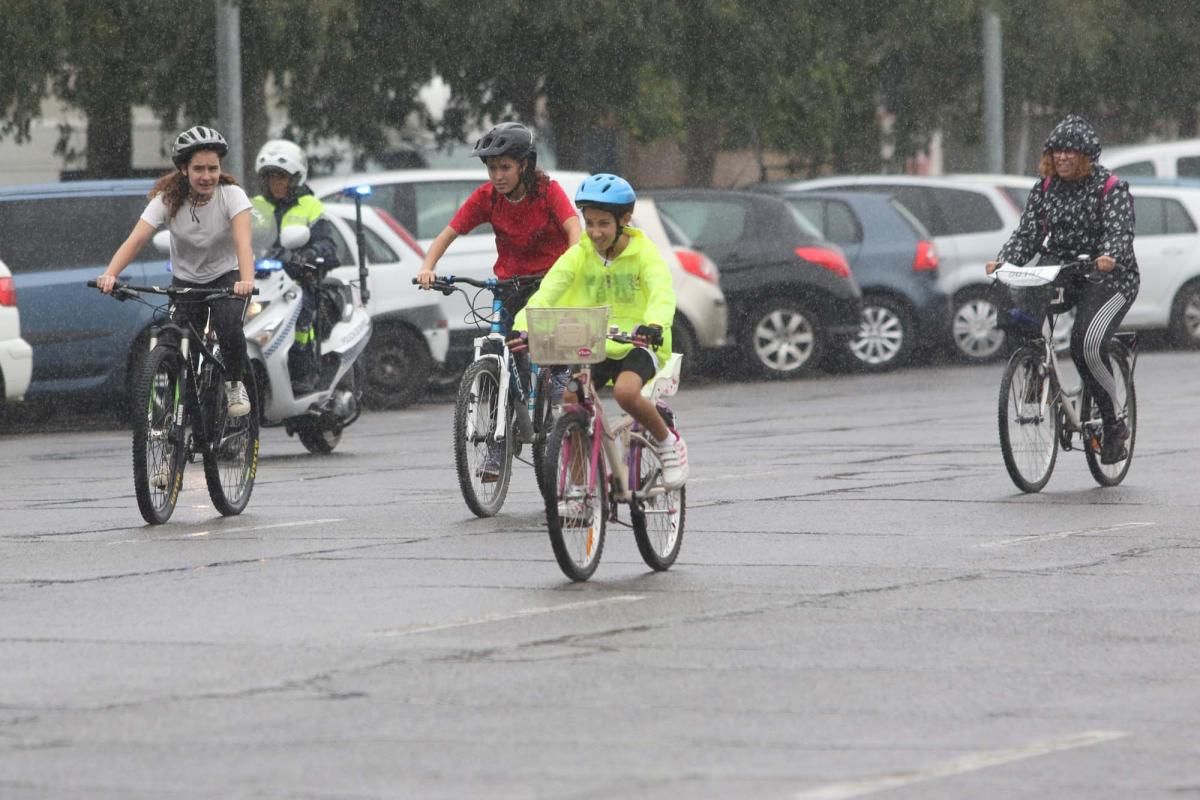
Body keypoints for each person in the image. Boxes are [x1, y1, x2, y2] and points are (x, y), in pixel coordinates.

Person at [415, 121, 581, 481]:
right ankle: (496, 442)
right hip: (509, 285)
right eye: (491, 168)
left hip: (550, 283)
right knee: (497, 355)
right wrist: (428, 267)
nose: (497, 175)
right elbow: (449, 233)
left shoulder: (547, 191)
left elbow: (573, 229)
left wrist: (571, 266)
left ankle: (556, 395)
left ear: (525, 165)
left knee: (552, 368)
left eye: (505, 167)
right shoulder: (486, 198)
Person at [507, 173, 689, 490]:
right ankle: (580, 489)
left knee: (626, 392)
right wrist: (523, 328)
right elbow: (547, 293)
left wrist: (655, 325)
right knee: (571, 399)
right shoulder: (579, 254)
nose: (594, 232)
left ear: (624, 220)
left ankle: (667, 442)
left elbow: (662, 292)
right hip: (593, 343)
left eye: (603, 223)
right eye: (589, 223)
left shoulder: (643, 253)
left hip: (639, 344)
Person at [986, 114, 1139, 465]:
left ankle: (1113, 424)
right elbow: (1027, 236)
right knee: (1018, 318)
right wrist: (1004, 261)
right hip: (1063, 271)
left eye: (1071, 151)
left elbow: (1120, 236)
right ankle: (1034, 374)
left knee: (1085, 345)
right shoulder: (1044, 189)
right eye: (1056, 151)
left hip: (1110, 278)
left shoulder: (1110, 188)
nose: (1062, 158)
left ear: (1086, 156)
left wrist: (1109, 257)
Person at [96, 124, 255, 418]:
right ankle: (183, 411)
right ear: (184, 169)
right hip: (186, 282)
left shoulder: (232, 196)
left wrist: (246, 281)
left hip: (227, 278)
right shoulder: (167, 199)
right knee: (174, 340)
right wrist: (111, 274)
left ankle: (234, 383)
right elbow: (137, 239)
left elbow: (243, 243)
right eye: (199, 169)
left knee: (229, 327)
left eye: (213, 168)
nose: (206, 176)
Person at [251, 139, 339, 394]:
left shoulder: (311, 206)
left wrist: (309, 254)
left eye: (282, 177)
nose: (276, 183)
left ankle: (303, 372)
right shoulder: (255, 206)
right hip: (258, 281)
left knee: (301, 317)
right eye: (271, 177)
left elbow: (328, 245)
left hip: (296, 281)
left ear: (296, 178)